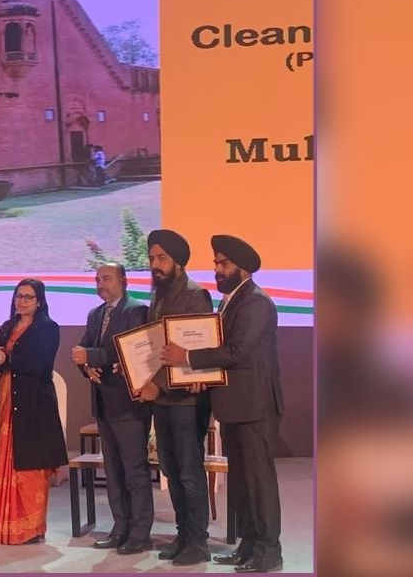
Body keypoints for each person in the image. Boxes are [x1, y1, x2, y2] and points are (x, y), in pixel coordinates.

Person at [163, 235, 284, 572]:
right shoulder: (230, 301)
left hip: (255, 407)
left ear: (243, 268)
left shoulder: (256, 302)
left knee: (259, 483)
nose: (217, 269)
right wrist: (202, 375)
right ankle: (249, 545)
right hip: (235, 406)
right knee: (242, 483)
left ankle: (269, 552)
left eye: (224, 263)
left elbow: (237, 352)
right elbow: (226, 356)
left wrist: (187, 357)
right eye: (216, 262)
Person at [136, 229, 214, 565]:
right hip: (163, 402)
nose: (155, 264)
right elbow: (154, 348)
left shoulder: (195, 295)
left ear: (178, 262)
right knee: (170, 469)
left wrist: (158, 385)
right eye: (152, 258)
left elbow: (196, 352)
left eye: (162, 258)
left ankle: (198, 541)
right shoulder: (158, 295)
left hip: (186, 401)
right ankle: (183, 535)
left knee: (188, 473)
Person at [72, 263, 153, 554]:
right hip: (103, 403)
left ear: (124, 281)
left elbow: (127, 351)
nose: (100, 284)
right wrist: (86, 367)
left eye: (106, 279)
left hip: (129, 404)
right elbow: (82, 352)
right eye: (97, 279)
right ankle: (120, 528)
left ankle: (140, 533)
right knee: (113, 471)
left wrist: (90, 357)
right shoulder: (95, 314)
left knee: (134, 470)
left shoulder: (136, 311)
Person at [0, 279, 68, 544]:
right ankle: (7, 527)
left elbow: (41, 366)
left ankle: (31, 528)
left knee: (31, 465)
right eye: (19, 296)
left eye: (28, 297)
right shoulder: (8, 325)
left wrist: (8, 360)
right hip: (8, 398)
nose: (22, 301)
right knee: (8, 460)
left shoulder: (48, 328)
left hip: (35, 403)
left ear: (39, 301)